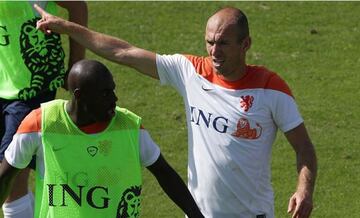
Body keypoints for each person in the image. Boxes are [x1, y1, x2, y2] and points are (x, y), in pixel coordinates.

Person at [34, 5, 318, 218]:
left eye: (223, 43)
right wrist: (69, 28)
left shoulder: (271, 89)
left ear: (246, 44)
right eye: (209, 42)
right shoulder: (191, 71)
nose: (214, 51)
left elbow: (304, 148)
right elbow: (124, 52)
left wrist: (304, 190)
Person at [0, 59, 204, 218]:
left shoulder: (130, 127)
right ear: (79, 96)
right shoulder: (41, 123)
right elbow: (6, 176)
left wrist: (196, 215)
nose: (114, 99)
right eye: (105, 94)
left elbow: (164, 173)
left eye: (112, 90)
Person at [0, 1, 87, 218]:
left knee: (10, 175)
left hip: (31, 89)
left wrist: (75, 65)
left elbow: (77, 6)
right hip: (4, 84)